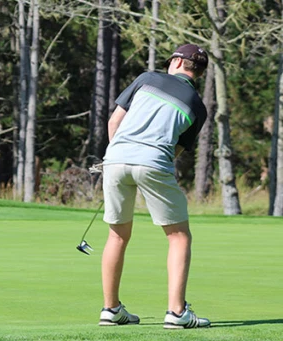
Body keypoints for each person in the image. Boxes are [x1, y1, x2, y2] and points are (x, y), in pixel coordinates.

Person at [97, 44, 212, 329]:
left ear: (175, 61)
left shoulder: (146, 78)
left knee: (117, 236)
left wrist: (120, 157)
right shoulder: (198, 106)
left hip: (115, 159)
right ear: (198, 72)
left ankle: (111, 309)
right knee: (178, 236)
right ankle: (176, 313)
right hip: (154, 162)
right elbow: (175, 152)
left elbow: (114, 122)